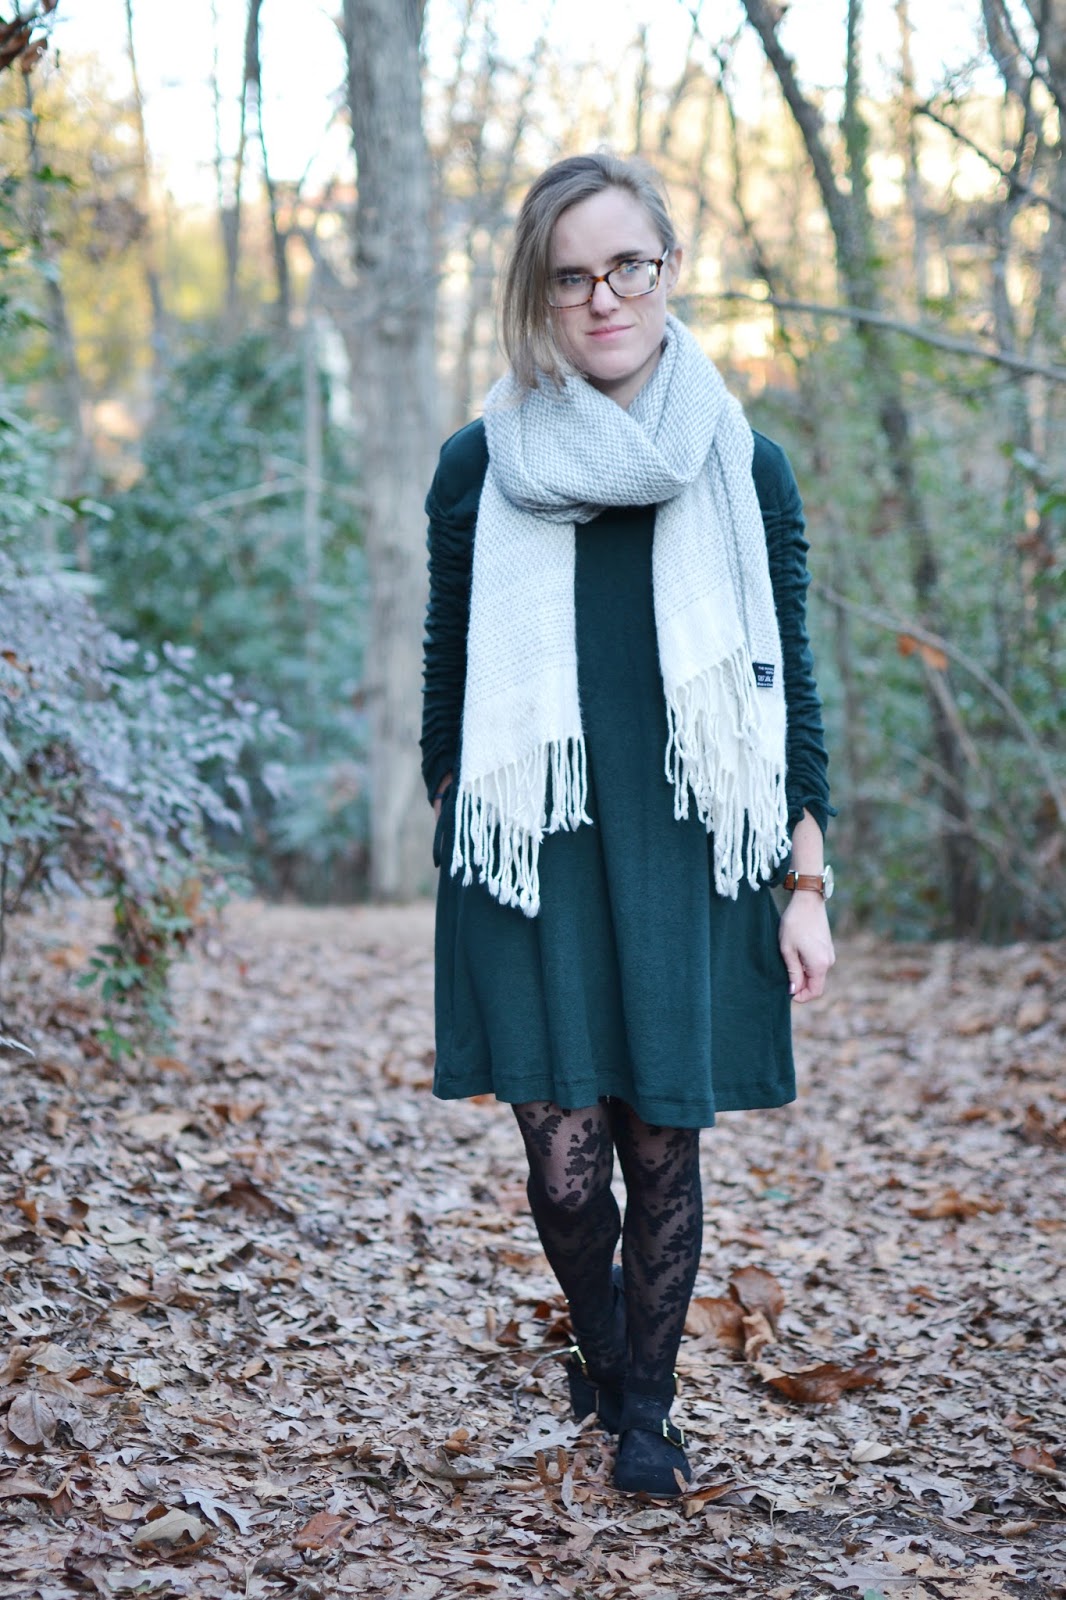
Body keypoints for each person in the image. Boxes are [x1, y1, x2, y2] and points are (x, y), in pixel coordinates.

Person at [420, 152, 835, 1498]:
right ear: (538, 295)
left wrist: (806, 879)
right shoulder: (479, 465)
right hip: (530, 849)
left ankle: (643, 1415)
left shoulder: (742, 464)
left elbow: (787, 684)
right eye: (571, 277)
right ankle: (602, 1347)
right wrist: (458, 810)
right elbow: (446, 665)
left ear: (668, 270)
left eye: (627, 267)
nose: (603, 298)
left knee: (659, 1146)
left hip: (684, 845)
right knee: (562, 1171)